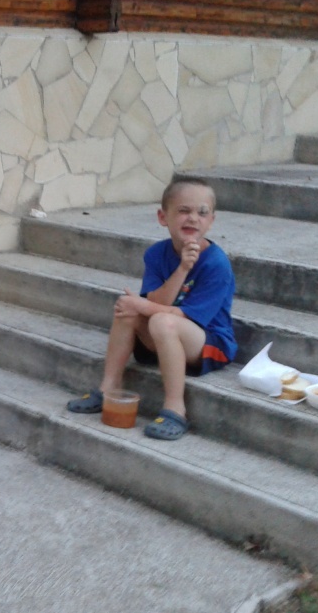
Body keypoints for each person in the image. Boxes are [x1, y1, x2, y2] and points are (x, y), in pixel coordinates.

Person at [66, 178, 236, 441]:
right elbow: (159, 300)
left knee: (160, 320)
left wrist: (142, 303)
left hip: (209, 343)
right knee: (128, 310)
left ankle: (175, 409)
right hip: (166, 335)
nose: (193, 218)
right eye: (183, 210)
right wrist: (182, 269)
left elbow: (183, 315)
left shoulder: (216, 263)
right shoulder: (156, 254)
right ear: (163, 217)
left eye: (202, 213)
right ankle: (109, 388)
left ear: (211, 221)